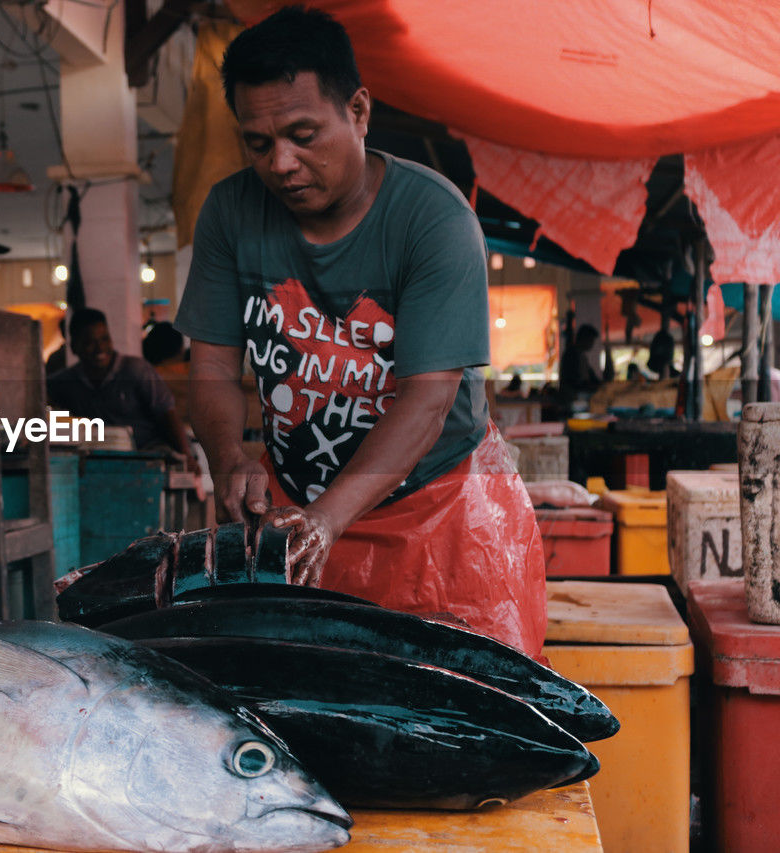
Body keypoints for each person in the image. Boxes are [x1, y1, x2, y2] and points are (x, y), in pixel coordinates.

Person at [173, 7, 545, 654]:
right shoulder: (230, 212)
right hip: (297, 516)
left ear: (360, 113)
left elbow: (427, 399)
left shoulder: (434, 219)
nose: (281, 163)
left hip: (438, 518)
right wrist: (230, 457)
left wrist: (329, 518)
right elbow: (210, 371)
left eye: (303, 134)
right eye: (257, 143)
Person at [48, 308, 199, 472]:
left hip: (149, 455)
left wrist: (187, 457)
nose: (100, 348)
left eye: (104, 339)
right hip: (101, 460)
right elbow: (41, 395)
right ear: (74, 347)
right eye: (89, 342)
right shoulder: (67, 382)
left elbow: (167, 413)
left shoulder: (135, 370)